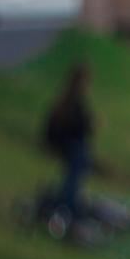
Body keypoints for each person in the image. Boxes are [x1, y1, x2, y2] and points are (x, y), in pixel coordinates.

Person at [42, 61, 93, 220]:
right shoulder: (72, 99)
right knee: (76, 171)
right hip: (68, 145)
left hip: (69, 144)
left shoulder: (70, 97)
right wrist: (89, 124)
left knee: (78, 169)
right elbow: (73, 126)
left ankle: (66, 201)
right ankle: (66, 204)